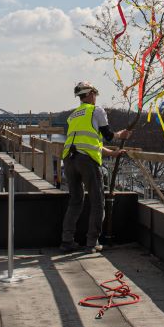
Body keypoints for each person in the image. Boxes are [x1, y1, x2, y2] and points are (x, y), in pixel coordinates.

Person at [60, 81, 131, 253]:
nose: (95, 97)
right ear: (91, 94)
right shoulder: (96, 110)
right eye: (95, 94)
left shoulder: (73, 115)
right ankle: (92, 242)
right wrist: (120, 135)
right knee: (97, 201)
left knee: (76, 201)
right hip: (86, 162)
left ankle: (67, 241)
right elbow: (107, 136)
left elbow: (89, 142)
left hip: (69, 159)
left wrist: (112, 154)